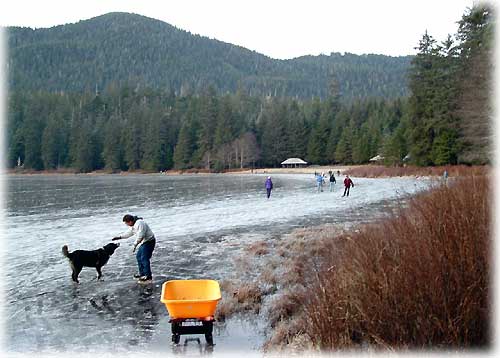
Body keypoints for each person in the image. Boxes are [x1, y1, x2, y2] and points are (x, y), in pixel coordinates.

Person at [113, 214, 156, 284]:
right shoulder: (134, 224)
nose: (127, 225)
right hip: (144, 243)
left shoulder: (140, 223)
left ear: (130, 221)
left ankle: (148, 276)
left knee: (144, 258)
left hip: (149, 242)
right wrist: (120, 237)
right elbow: (129, 233)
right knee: (138, 257)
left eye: (126, 223)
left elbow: (140, 236)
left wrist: (134, 245)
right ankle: (142, 274)